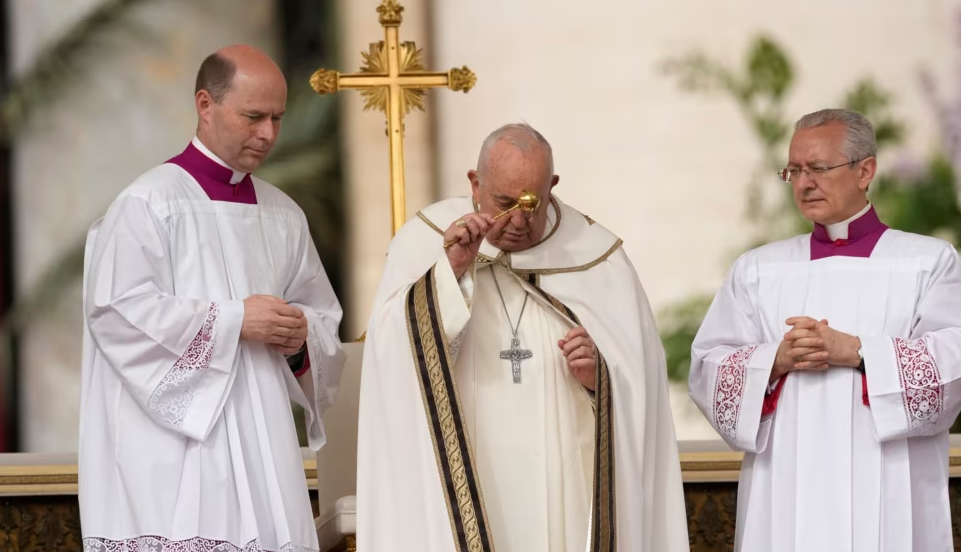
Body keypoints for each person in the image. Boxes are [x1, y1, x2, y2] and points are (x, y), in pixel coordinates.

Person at [355, 123, 688, 552]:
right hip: (468, 478)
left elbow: (643, 385)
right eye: (504, 203)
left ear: (553, 186)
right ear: (475, 184)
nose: (517, 221)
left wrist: (599, 377)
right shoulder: (425, 242)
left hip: (567, 486)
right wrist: (450, 272)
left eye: (532, 204)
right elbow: (390, 357)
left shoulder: (598, 259)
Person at [78, 45, 345, 552]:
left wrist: (299, 338)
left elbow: (322, 318)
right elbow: (116, 312)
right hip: (178, 450)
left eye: (277, 118)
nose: (268, 134)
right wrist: (234, 321)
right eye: (253, 116)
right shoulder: (149, 202)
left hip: (266, 445)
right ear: (205, 104)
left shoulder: (284, 215)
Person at [689, 108, 961, 552]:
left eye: (817, 168)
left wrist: (856, 351)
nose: (803, 183)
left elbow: (952, 362)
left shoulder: (928, 262)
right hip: (786, 479)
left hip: (888, 484)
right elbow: (708, 368)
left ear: (865, 171)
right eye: (793, 171)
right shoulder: (759, 270)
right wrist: (776, 359)